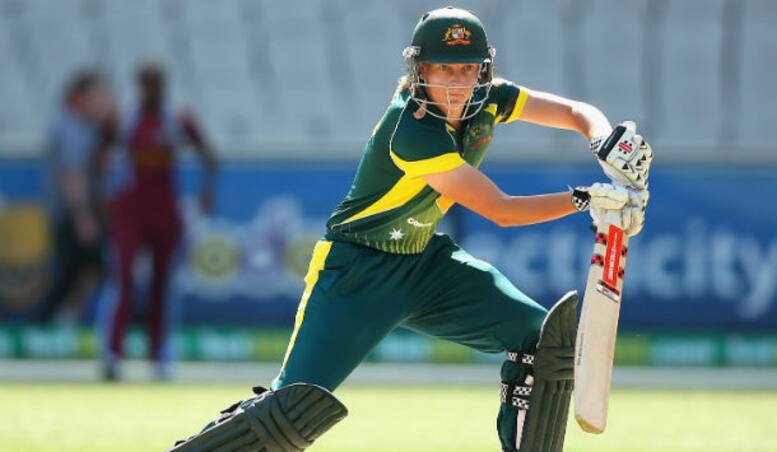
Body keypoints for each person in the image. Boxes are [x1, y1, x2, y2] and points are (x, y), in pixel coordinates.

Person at [170, 7, 652, 452]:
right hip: (357, 269)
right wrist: (587, 200)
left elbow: (575, 112)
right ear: (420, 70)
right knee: (291, 410)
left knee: (543, 343)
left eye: (467, 69)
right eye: (444, 69)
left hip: (425, 264)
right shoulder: (411, 130)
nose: (457, 83)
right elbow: (500, 210)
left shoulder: (491, 97)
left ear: (483, 70)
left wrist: (603, 140)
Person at [99, 62, 217, 380]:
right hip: (131, 210)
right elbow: (99, 154)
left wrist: (206, 192)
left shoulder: (177, 118)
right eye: (147, 83)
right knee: (122, 278)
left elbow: (209, 154)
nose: (152, 90)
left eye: (156, 84)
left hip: (164, 210)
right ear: (138, 86)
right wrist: (103, 196)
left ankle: (160, 355)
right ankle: (112, 354)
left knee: (162, 284)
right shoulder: (123, 117)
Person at [37, 70, 114, 323]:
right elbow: (72, 177)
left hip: (74, 213)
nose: (105, 102)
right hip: (71, 213)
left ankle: (59, 319)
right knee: (82, 270)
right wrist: (84, 218)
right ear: (81, 97)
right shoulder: (70, 127)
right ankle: (47, 322)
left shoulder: (83, 126)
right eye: (99, 96)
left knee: (78, 271)